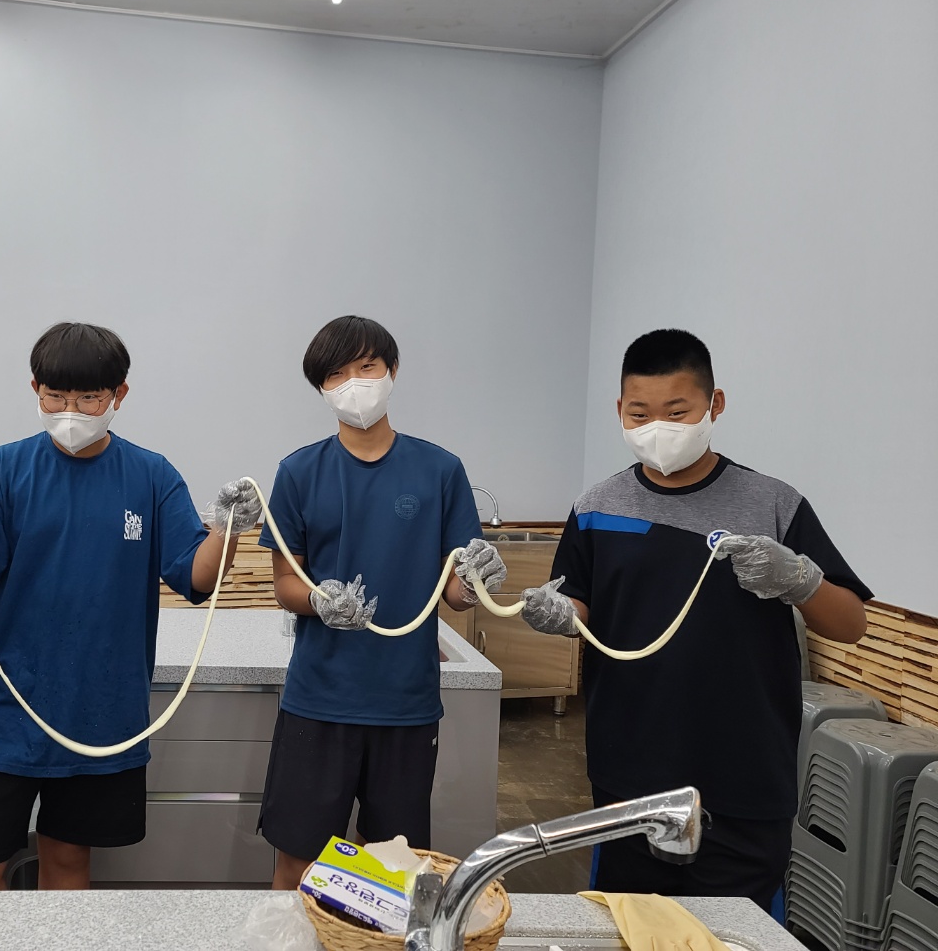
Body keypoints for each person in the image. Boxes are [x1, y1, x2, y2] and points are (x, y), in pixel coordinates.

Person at [0, 322, 260, 891]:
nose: (71, 411)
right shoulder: (3, 469)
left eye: (89, 397)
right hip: (5, 712)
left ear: (119, 394)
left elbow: (197, 578)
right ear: (35, 390)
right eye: (56, 396)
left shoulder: (151, 475)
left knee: (68, 864)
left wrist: (228, 530)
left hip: (102, 715)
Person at [517, 328, 869, 911]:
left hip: (743, 777)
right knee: (629, 924)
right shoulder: (597, 508)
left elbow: (851, 624)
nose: (658, 428)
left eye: (677, 412)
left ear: (714, 404)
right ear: (620, 410)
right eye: (640, 413)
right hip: (628, 771)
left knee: (732, 930)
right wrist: (558, 615)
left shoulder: (772, 504)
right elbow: (578, 601)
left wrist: (799, 579)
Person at [254, 315, 506, 890]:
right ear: (322, 388)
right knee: (297, 861)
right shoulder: (298, 472)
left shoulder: (440, 471)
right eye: (337, 375)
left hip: (404, 705)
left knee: (393, 869)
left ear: (392, 371)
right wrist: (319, 600)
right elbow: (285, 584)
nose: (354, 384)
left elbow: (455, 593)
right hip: (319, 701)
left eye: (366, 367)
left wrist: (477, 582)